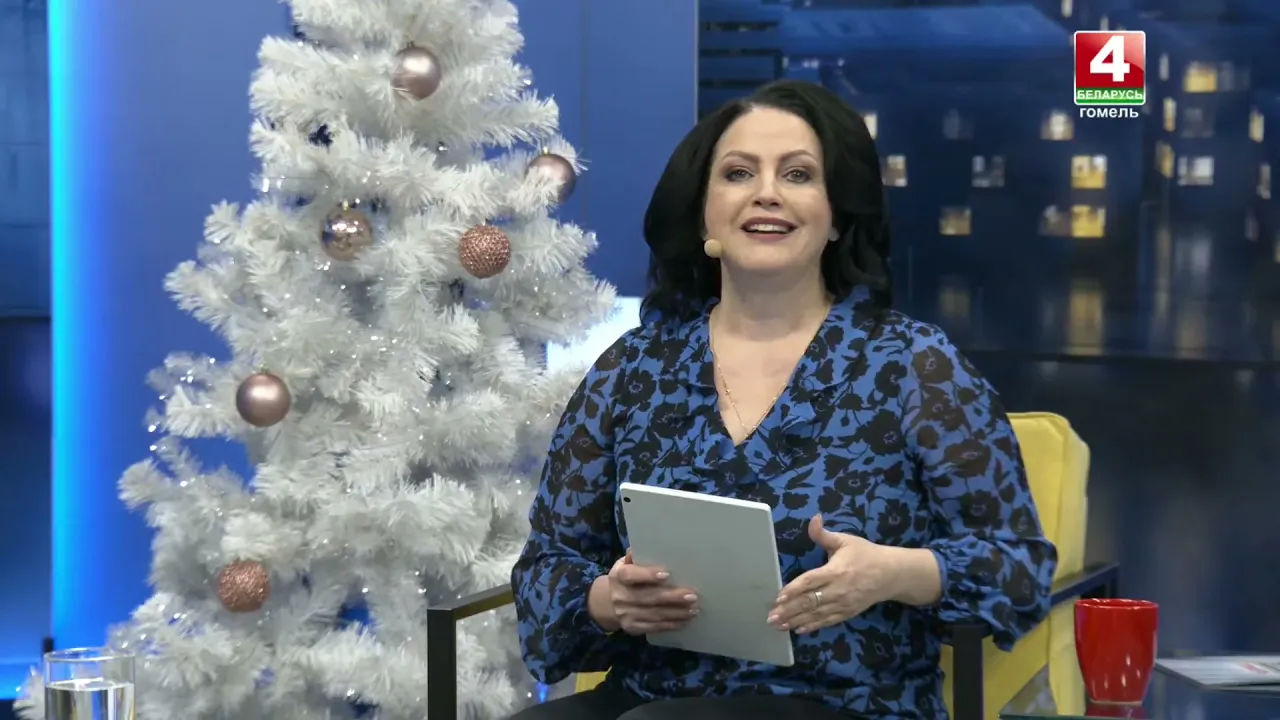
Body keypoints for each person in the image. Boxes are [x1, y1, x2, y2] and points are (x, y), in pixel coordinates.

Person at [508, 79, 1058, 720]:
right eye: (738, 173)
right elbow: (546, 569)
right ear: (704, 213)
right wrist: (608, 599)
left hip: (849, 704)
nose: (766, 192)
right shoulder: (633, 368)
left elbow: (1018, 570)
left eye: (797, 174)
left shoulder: (914, 365)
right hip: (649, 696)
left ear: (836, 216)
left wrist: (894, 573)